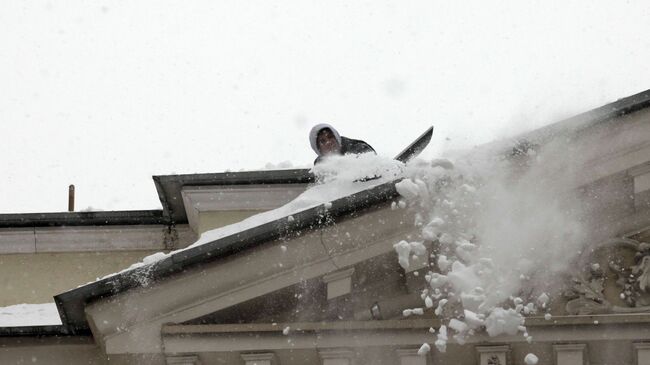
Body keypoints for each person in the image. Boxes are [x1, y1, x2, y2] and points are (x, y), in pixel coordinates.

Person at [309, 124, 376, 164]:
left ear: (336, 137)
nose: (329, 142)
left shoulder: (360, 148)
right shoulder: (320, 164)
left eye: (330, 137)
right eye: (323, 141)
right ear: (318, 149)